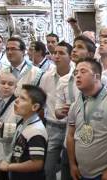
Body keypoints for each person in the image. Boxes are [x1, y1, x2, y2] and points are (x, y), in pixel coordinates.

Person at [67, 58, 107, 180]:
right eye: (76, 72)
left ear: (96, 76)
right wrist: (72, 164)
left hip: (104, 174)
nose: (78, 75)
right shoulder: (75, 104)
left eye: (83, 72)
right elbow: (70, 135)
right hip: (80, 171)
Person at [0, 84, 48, 180]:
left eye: (23, 99)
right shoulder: (25, 122)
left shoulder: (36, 131)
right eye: (18, 97)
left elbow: (37, 164)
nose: (16, 100)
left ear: (35, 106)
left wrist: (9, 167)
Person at [40, 41, 72, 180]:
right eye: (55, 53)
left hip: (70, 127)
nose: (56, 56)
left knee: (69, 167)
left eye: (61, 53)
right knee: (48, 168)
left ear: (70, 56)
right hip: (52, 126)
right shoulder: (46, 76)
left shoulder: (76, 76)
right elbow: (41, 101)